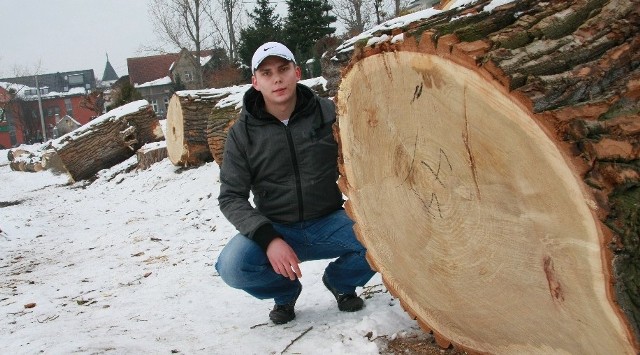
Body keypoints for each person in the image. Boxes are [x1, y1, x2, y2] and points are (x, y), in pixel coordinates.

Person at [215, 42, 376, 325]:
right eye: (266, 73)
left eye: (283, 69)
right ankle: (285, 292)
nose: (276, 78)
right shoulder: (242, 135)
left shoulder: (328, 114)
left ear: (297, 72)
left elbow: (362, 155)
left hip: (329, 221)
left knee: (382, 236)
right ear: (255, 82)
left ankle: (341, 281)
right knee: (232, 266)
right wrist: (268, 238)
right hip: (277, 227)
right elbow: (231, 197)